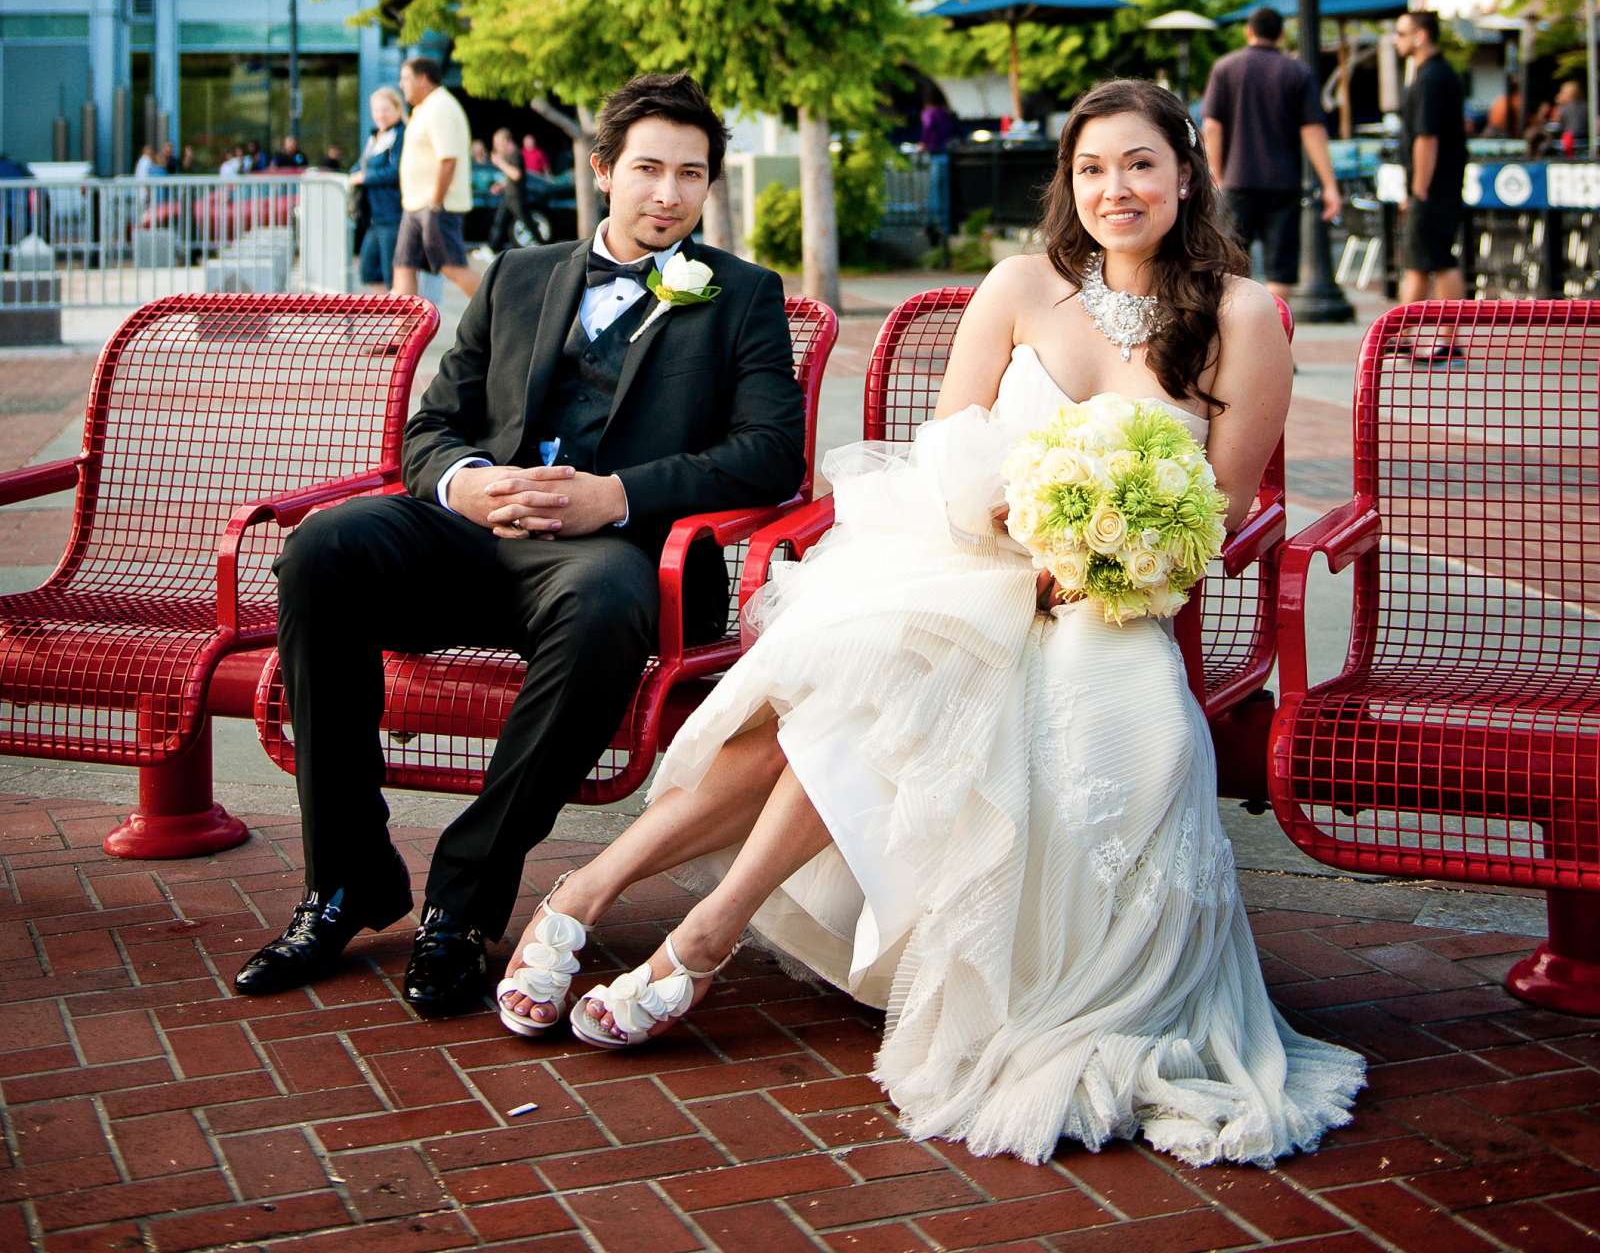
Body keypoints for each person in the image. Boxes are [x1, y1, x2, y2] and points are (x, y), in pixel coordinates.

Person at [511, 80, 1361, 1167]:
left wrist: (1105, 556)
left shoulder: (1243, 315)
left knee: (912, 696)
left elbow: (1224, 508)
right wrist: (1011, 516)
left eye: (1141, 164)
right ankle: (642, 916)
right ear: (1068, 181)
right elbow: (948, 447)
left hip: (1110, 604)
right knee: (860, 679)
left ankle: (656, 922)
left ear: (1185, 176)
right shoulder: (1018, 285)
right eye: (1093, 168)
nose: (1117, 189)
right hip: (970, 558)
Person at [233, 70, 805, 1023]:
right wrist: (468, 482)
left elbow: (770, 455)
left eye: (691, 176)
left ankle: (464, 895)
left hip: (607, 559)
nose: (668, 194)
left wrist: (614, 496)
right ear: (603, 171)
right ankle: (348, 878)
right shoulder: (517, 274)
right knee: (325, 549)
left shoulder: (740, 295)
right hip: (471, 538)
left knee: (604, 603)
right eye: (649, 170)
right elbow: (432, 428)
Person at [1201, 6, 1341, 296]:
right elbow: (1313, 131)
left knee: (1230, 265)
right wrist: (1330, 185)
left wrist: (1216, 173)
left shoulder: (1225, 68)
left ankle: (1232, 335)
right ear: (1281, 34)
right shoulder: (1297, 72)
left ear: (1248, 31)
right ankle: (1276, 334)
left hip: (1236, 181)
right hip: (1284, 182)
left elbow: (1212, 127)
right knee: (1280, 269)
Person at [1394, 8, 1467, 319]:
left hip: (1433, 187)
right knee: (1425, 262)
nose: (1396, 41)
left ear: (1420, 36)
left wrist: (1419, 188)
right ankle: (1406, 335)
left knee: (1432, 261)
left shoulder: (1430, 78)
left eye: (1401, 33)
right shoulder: (1437, 74)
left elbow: (1427, 137)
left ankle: (1435, 338)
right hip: (1439, 185)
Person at [390, 56, 480, 302]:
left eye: (406, 78)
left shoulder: (441, 106)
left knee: (451, 266)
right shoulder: (423, 108)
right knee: (403, 265)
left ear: (422, 79)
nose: (401, 84)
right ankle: (404, 338)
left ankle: (507, 317)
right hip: (415, 206)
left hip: (437, 204)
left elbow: (448, 159)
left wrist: (436, 202)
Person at [353, 88, 405, 291]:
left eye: (385, 109)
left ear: (397, 109)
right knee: (368, 270)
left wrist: (364, 178)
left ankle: (400, 320)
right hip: (374, 218)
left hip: (392, 214)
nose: (380, 115)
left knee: (392, 275)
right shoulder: (375, 137)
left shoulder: (400, 135)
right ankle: (393, 316)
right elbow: (359, 166)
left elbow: (395, 172)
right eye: (376, 110)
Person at [487, 125, 532, 254]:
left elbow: (516, 175)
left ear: (506, 141)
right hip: (509, 196)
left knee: (526, 223)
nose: (496, 147)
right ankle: (493, 248)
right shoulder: (510, 155)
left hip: (516, 197)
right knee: (499, 222)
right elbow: (510, 178)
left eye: (498, 143)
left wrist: (500, 163)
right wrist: (500, 186)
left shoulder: (515, 154)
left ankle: (543, 246)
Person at [1529, 79, 1589, 157]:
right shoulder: (1587, 106)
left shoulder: (1564, 108)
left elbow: (1555, 125)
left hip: (1568, 143)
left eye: (1561, 92)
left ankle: (1534, 160)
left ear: (1568, 94)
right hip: (1585, 142)